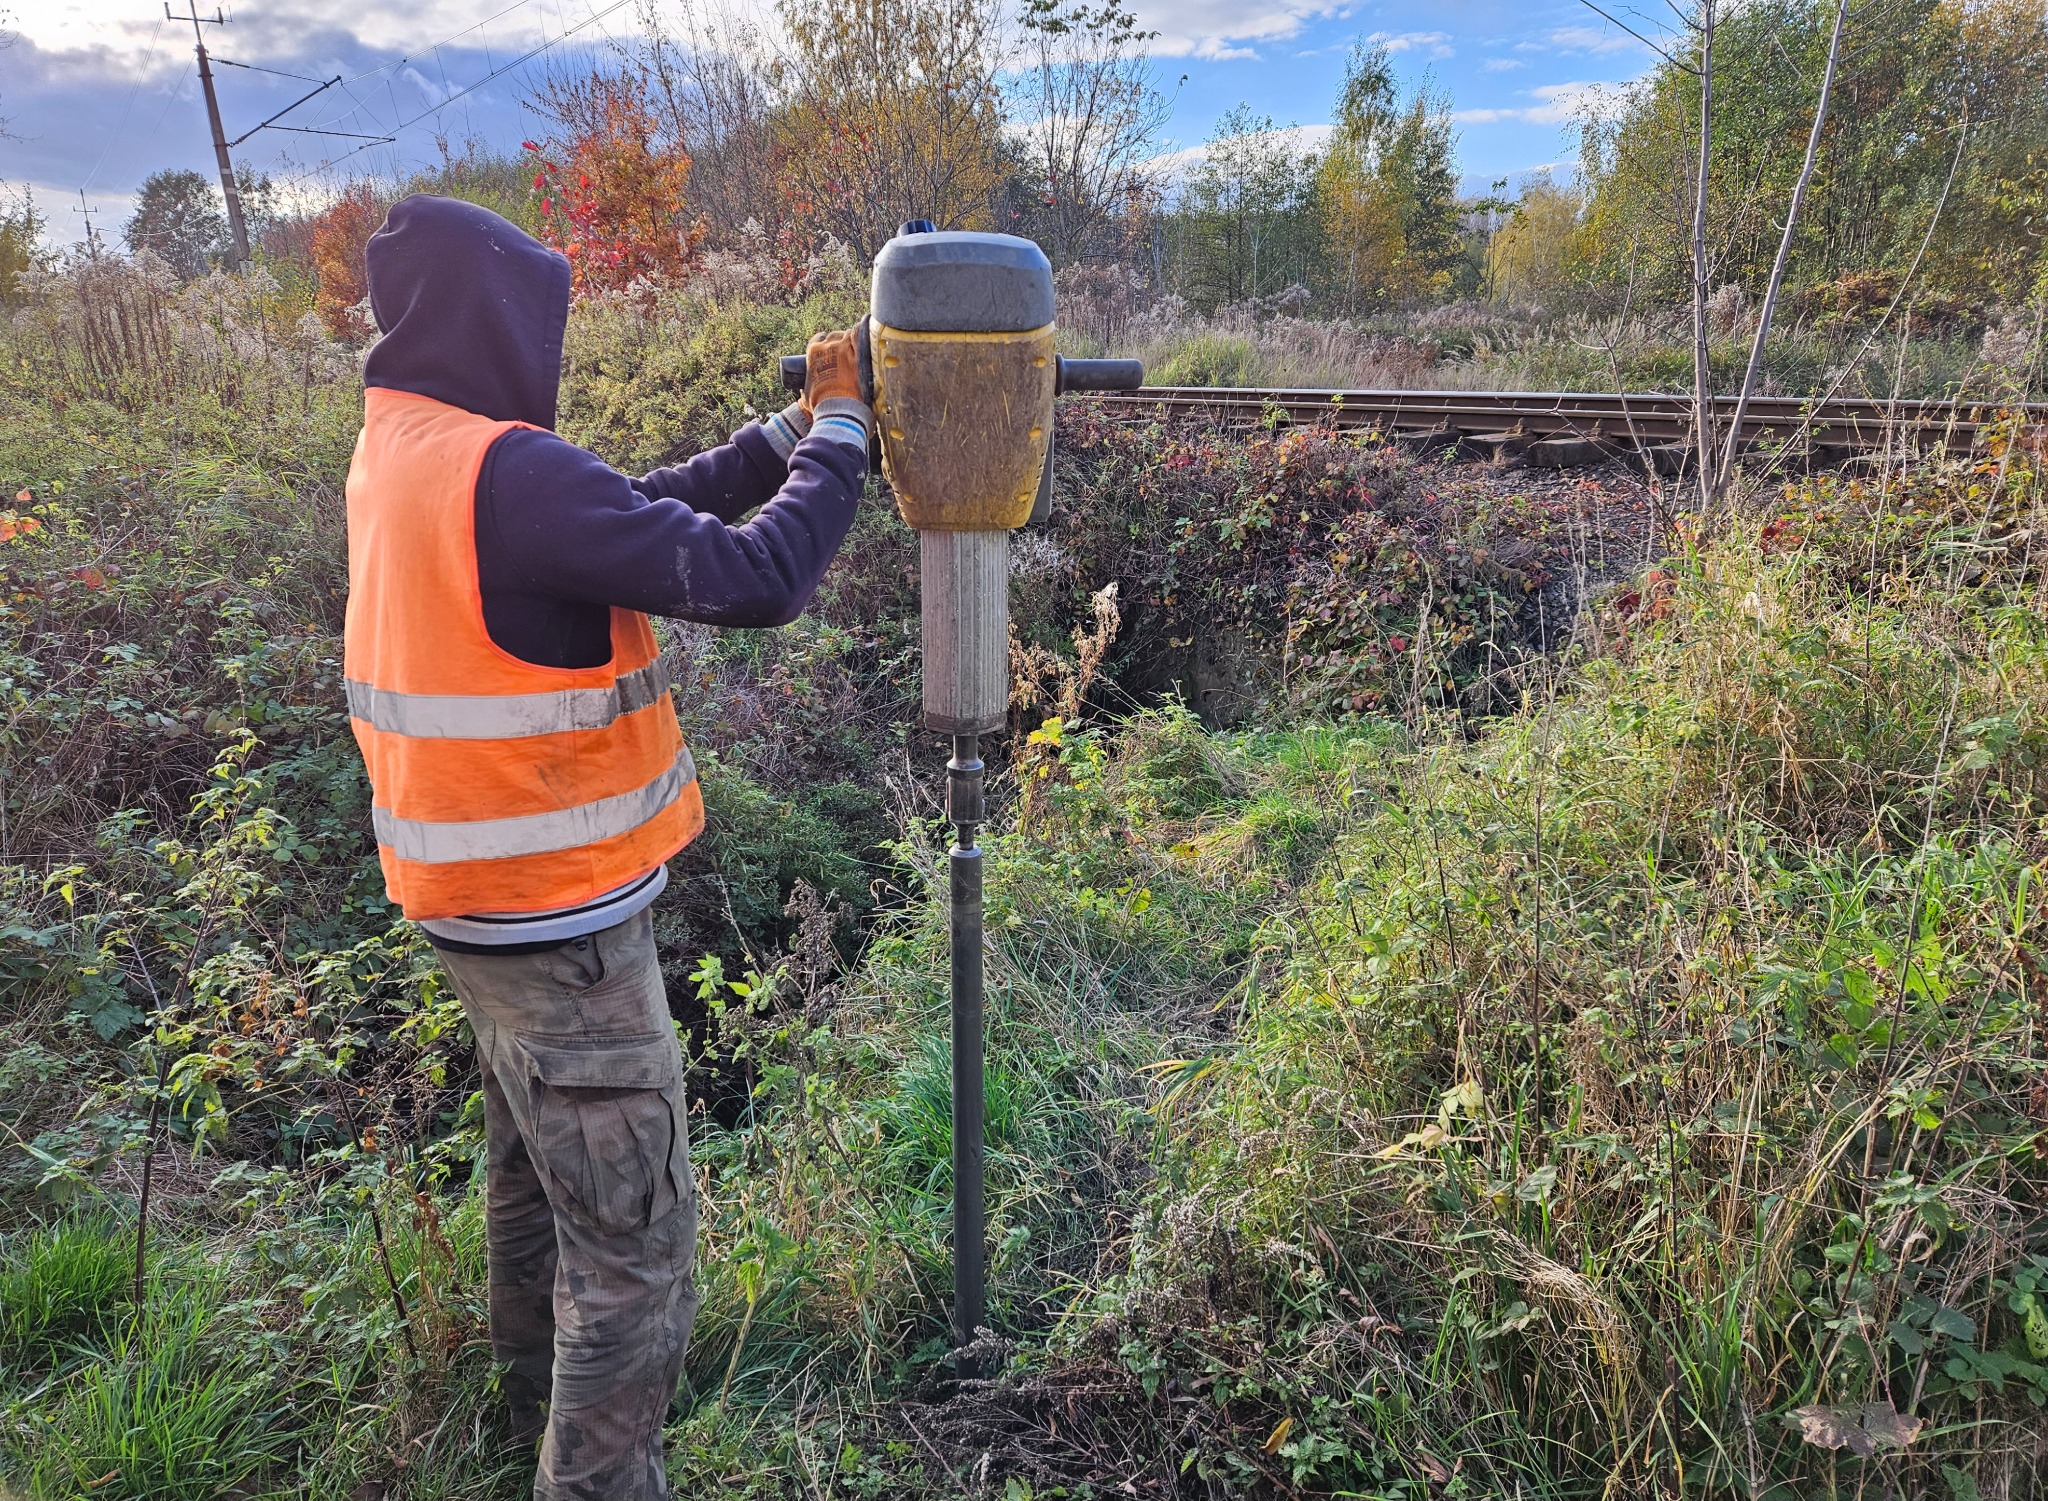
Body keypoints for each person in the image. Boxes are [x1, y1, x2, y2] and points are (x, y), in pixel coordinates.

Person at [341, 194, 868, 1500]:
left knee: (538, 1180)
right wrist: (845, 435)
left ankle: (532, 1409)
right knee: (635, 1246)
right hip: (560, 926)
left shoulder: (409, 445)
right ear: (495, 322)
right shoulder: (507, 471)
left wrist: (784, 436)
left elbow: (626, 515)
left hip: (470, 904)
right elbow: (755, 578)